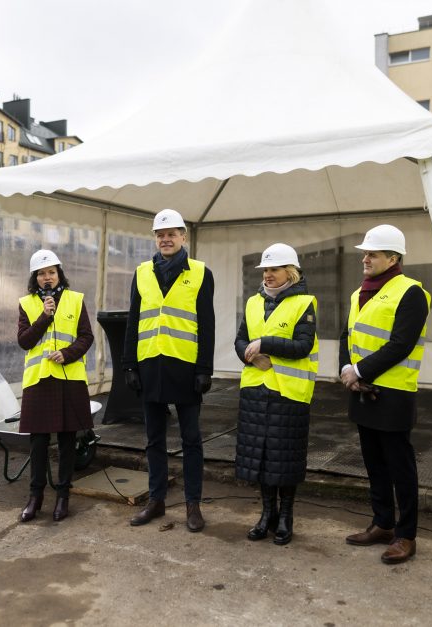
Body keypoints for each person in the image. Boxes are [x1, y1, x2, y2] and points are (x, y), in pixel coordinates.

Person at [338, 225, 430, 564]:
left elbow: (401, 344)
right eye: (365, 253)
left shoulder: (412, 293)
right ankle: (383, 524)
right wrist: (347, 371)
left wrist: (360, 371)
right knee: (374, 463)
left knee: (400, 467)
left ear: (393, 258)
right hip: (362, 390)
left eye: (372, 253)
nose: (364, 258)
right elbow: (349, 335)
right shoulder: (359, 292)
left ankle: (406, 535)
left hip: (393, 393)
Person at [122, 208, 215, 532]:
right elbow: (133, 321)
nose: (166, 239)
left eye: (172, 233)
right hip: (150, 367)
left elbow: (207, 323)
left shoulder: (201, 272)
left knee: (191, 440)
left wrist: (205, 368)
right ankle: (156, 501)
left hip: (185, 369)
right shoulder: (142, 272)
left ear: (183, 236)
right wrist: (129, 364)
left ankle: (193, 505)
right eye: (160, 234)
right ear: (155, 238)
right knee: (153, 440)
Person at [235, 243, 317, 546]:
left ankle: (286, 516)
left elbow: (302, 346)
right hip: (256, 391)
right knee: (261, 457)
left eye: (274, 269)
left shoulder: (304, 303)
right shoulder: (253, 303)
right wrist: (251, 356)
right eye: (265, 270)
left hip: (289, 394)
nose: (267, 275)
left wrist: (265, 343)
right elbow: (240, 340)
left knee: (285, 459)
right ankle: (267, 514)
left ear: (290, 272)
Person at [17, 249, 94, 523]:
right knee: (38, 441)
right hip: (39, 379)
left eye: (51, 272)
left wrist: (68, 353)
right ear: (35, 278)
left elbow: (87, 336)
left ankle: (63, 496)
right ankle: (35, 497)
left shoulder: (75, 300)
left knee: (67, 441)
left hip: (69, 379)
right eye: (41, 273)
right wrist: (45, 316)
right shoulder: (27, 303)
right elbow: (25, 341)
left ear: (59, 274)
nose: (47, 277)